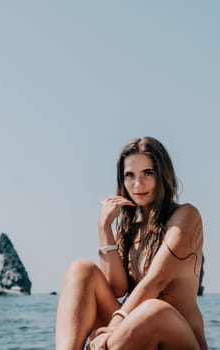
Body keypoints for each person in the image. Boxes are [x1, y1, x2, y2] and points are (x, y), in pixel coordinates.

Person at [55, 137, 208, 350]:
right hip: (132, 332)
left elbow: (156, 280)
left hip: (177, 339)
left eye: (147, 173)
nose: (138, 184)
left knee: (153, 309)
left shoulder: (185, 217)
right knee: (81, 269)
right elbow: (116, 287)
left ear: (163, 175)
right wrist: (104, 227)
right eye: (130, 175)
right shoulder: (129, 227)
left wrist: (112, 328)